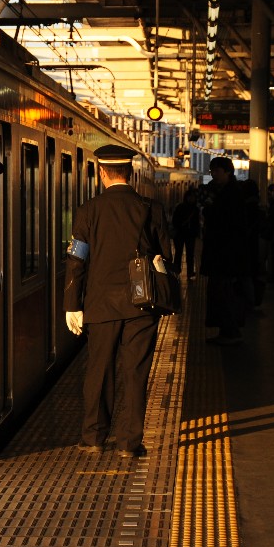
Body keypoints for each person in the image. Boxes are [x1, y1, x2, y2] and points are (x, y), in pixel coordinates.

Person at [63, 144, 168, 458]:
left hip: (101, 305)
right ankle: (129, 443)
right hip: (142, 304)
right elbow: (167, 256)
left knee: (99, 370)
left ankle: (94, 437)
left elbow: (77, 261)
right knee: (136, 372)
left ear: (101, 172)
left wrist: (72, 305)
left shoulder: (88, 210)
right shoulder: (151, 209)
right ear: (131, 172)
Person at [200, 156, 252, 345]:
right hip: (223, 253)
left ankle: (230, 332)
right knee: (221, 292)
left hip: (226, 254)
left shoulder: (231, 194)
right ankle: (226, 330)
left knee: (224, 293)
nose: (213, 174)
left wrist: (209, 208)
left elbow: (226, 223)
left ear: (228, 172)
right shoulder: (224, 191)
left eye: (217, 171)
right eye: (212, 171)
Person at [170, 187, 201, 279]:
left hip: (187, 234)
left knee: (186, 254)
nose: (192, 199)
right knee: (181, 253)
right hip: (182, 233)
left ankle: (185, 272)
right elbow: (175, 220)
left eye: (193, 197)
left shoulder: (194, 209)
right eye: (190, 197)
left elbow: (196, 222)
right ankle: (181, 271)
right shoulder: (184, 207)